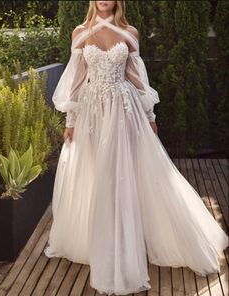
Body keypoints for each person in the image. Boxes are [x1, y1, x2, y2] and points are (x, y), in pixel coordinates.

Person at [44, 1, 229, 295]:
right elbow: (77, 79)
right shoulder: (80, 32)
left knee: (124, 173)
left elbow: (136, 76)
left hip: (124, 110)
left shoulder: (130, 32)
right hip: (93, 112)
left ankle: (125, 240)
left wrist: (149, 115)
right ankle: (102, 241)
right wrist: (71, 119)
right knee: (96, 173)